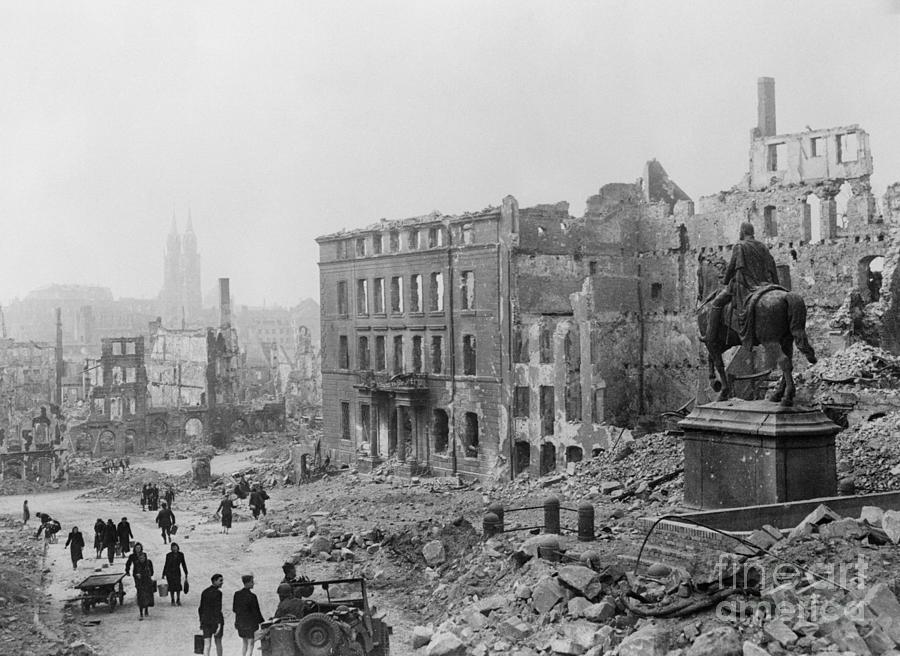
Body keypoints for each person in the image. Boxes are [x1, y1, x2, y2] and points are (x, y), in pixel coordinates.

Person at [705, 221, 780, 346]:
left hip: (745, 285)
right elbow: (771, 266)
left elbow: (731, 268)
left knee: (716, 303)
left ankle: (710, 336)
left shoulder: (739, 246)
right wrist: (776, 284)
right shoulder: (762, 246)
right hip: (764, 284)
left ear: (743, 231)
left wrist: (725, 280)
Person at [232, 574, 264, 656]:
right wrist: (262, 622)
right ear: (247, 583)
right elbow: (256, 612)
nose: (253, 584)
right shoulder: (252, 596)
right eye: (252, 582)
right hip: (250, 624)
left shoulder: (237, 594)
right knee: (251, 644)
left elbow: (234, 609)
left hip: (240, 623)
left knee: (245, 643)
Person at [199, 574, 225, 656]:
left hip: (206, 621)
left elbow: (200, 608)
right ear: (215, 581)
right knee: (218, 643)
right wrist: (219, 623)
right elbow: (218, 609)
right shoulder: (218, 593)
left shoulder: (204, 592)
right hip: (215, 621)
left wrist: (201, 621)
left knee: (207, 644)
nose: (222, 582)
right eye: (220, 580)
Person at [162, 542, 188, 606]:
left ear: (177, 547)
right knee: (171, 587)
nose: (174, 548)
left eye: (175, 547)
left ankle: (178, 599)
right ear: (171, 548)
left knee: (178, 586)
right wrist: (163, 573)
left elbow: (183, 563)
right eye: (173, 547)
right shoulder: (168, 555)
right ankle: (172, 599)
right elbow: (166, 564)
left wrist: (186, 572)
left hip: (177, 572)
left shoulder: (181, 554)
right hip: (169, 573)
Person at [132, 551, 155, 620]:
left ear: (145, 557)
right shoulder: (136, 564)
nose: (142, 559)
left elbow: (152, 572)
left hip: (147, 582)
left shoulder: (148, 563)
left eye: (143, 558)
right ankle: (141, 612)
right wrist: (137, 575)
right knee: (141, 598)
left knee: (147, 597)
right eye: (140, 558)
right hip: (140, 583)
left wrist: (147, 575)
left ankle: (146, 610)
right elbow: (133, 573)